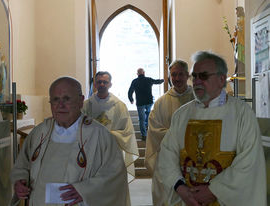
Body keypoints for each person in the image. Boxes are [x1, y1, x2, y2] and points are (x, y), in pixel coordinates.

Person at [157, 51, 267, 206]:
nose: (197, 81)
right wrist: (180, 187)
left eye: (203, 76)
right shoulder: (182, 115)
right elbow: (167, 154)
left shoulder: (241, 113)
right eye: (194, 76)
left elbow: (249, 162)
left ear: (222, 79)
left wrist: (214, 191)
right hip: (187, 199)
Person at [10, 77, 127, 206]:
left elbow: (115, 175)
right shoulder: (39, 133)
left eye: (67, 99)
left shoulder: (100, 135)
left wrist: (86, 190)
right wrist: (19, 181)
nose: (61, 105)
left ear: (81, 101)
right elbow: (22, 165)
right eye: (55, 99)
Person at [82, 71, 139, 206]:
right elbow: (79, 130)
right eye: (99, 81)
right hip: (91, 155)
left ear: (110, 84)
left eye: (105, 82)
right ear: (95, 84)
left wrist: (108, 134)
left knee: (113, 191)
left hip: (112, 155)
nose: (102, 84)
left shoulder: (119, 106)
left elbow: (126, 132)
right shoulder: (86, 105)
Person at [145, 60, 194, 206]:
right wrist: (180, 136)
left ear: (187, 75)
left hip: (192, 159)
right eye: (173, 75)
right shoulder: (161, 102)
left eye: (180, 74)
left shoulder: (197, 98)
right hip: (167, 160)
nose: (177, 78)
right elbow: (154, 130)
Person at [128, 68, 164, 140]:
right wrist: (164, 80)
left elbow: (130, 91)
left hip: (140, 103)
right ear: (144, 73)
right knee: (148, 115)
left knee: (141, 119)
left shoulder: (134, 81)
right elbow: (157, 81)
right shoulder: (148, 79)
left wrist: (131, 99)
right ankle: (147, 126)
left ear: (137, 74)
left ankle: (144, 135)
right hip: (149, 101)